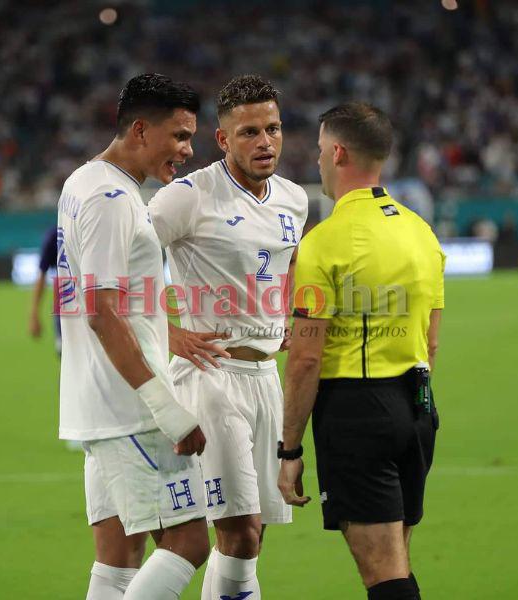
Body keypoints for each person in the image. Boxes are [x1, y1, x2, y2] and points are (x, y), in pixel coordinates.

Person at [148, 74, 308, 600]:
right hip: (210, 377)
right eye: (249, 132)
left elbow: (288, 260)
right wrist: (170, 333)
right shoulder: (188, 197)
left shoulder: (294, 199)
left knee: (252, 538)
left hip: (266, 379)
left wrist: (282, 313)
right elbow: (121, 264)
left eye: (273, 129)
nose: (265, 142)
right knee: (238, 532)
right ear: (222, 139)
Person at [278, 102, 445, 600]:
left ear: (338, 153)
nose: (317, 160)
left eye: (319, 150)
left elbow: (306, 358)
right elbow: (431, 341)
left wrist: (289, 450)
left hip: (357, 411)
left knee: (385, 575)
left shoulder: (324, 242)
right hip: (418, 406)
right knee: (397, 562)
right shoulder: (421, 232)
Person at [57, 73, 210, 600]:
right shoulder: (110, 197)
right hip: (132, 409)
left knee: (118, 558)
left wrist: (170, 333)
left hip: (101, 401)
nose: (187, 150)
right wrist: (165, 407)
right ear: (141, 130)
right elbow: (101, 311)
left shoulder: (82, 181)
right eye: (180, 136)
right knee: (189, 542)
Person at [28, 225, 61, 354]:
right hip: (65, 309)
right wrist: (34, 314)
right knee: (65, 355)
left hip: (89, 307)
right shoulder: (55, 236)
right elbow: (41, 276)